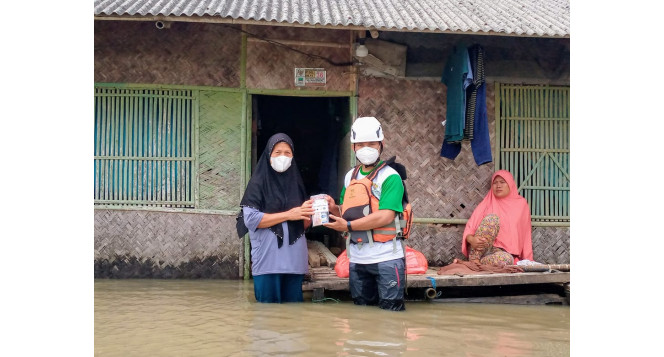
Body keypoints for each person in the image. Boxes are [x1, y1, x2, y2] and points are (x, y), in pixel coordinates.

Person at [323, 116, 407, 311]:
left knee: (391, 313)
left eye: (371, 143)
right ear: (353, 147)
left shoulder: (391, 177)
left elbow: (385, 216)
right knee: (361, 314)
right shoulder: (349, 176)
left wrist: (348, 226)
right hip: (358, 259)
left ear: (381, 144)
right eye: (360, 144)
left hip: (387, 257)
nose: (365, 148)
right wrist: (334, 208)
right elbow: (347, 211)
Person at [236, 133, 314, 303]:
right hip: (267, 262)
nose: (283, 157)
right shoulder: (258, 184)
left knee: (294, 319)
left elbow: (305, 223)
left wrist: (314, 212)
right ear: (268, 155)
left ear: (293, 157)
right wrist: (289, 214)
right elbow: (251, 220)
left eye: (287, 153)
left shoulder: (297, 184)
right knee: (267, 318)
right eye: (277, 152)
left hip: (295, 263)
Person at [459, 170, 533, 266]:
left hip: (501, 254)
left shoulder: (521, 204)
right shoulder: (486, 203)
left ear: (510, 184)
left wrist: (528, 260)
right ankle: (474, 259)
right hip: (481, 250)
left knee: (506, 259)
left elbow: (526, 234)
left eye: (502, 182)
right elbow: (470, 228)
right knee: (492, 219)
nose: (498, 186)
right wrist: (472, 240)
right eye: (495, 183)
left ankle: (476, 264)